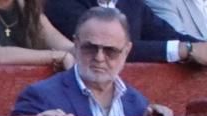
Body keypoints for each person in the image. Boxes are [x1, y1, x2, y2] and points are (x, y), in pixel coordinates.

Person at [12, 5, 170, 115]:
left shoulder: (139, 105)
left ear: (126, 51)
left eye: (110, 51)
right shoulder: (40, 98)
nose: (99, 58)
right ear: (76, 44)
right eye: (90, 48)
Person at [45, 0, 203, 62]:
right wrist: (184, 49)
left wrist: (198, 46)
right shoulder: (62, 4)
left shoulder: (131, 3)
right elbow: (110, 47)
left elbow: (167, 34)